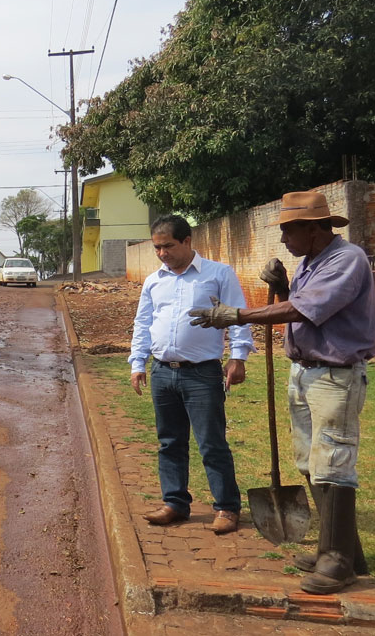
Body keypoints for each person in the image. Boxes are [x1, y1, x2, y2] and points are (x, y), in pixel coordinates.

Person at [189, 191, 375, 594]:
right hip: (307, 372)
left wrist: (236, 315)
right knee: (311, 462)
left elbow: (303, 311)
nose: (283, 241)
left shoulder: (347, 260)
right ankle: (342, 550)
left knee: (334, 460)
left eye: (289, 231)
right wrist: (287, 285)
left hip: (334, 376)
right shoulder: (313, 262)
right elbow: (306, 306)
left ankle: (338, 561)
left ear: (314, 229)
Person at [130, 215, 253, 536]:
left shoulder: (217, 274)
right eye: (157, 248)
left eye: (167, 246)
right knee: (169, 442)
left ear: (187, 241)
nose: (161, 254)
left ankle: (227, 507)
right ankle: (175, 503)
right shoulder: (154, 280)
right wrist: (137, 362)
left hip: (202, 374)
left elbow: (237, 317)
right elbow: (143, 324)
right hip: (162, 372)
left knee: (211, 443)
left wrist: (238, 357)